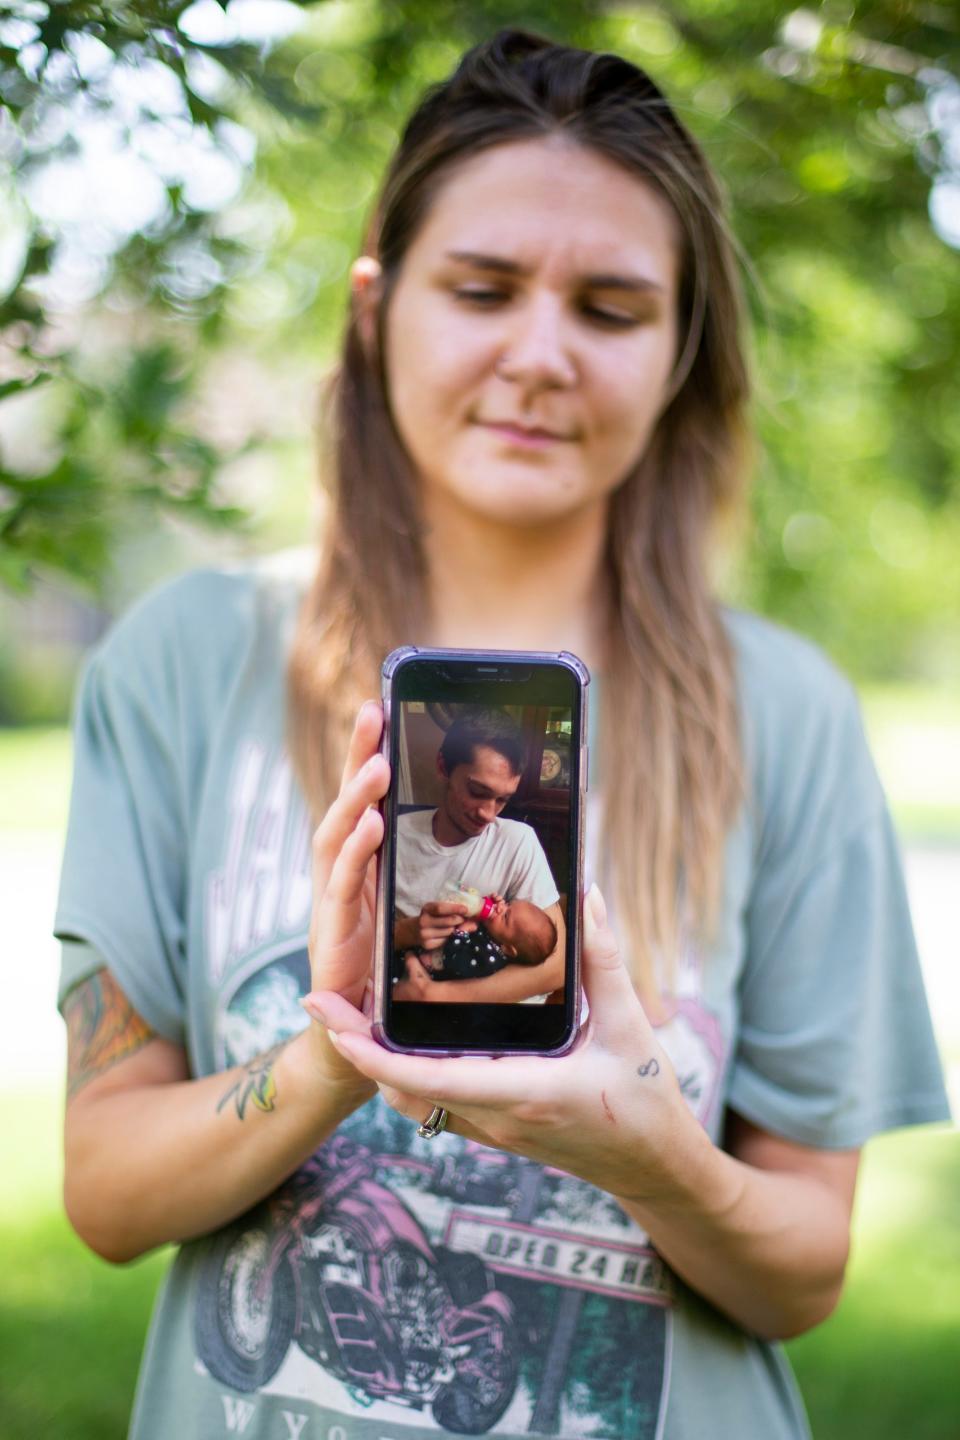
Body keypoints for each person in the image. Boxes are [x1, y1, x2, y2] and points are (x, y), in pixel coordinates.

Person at [56, 28, 950, 1440]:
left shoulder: (785, 717)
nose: (539, 354)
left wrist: (665, 1160)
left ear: (679, 356)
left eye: (609, 308)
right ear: (377, 306)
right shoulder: (182, 665)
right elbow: (104, 1197)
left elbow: (805, 1271)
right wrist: (328, 1059)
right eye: (482, 288)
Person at [393, 708, 565, 1001]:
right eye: (477, 791)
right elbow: (357, 943)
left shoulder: (518, 841)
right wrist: (409, 932)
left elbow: (556, 968)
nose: (488, 813)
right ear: (443, 766)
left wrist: (435, 995)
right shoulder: (394, 837)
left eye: (502, 800)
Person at [404, 895, 559, 983]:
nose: (500, 908)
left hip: (421, 971)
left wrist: (462, 932)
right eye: (508, 905)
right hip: (415, 946)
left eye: (505, 916)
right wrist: (491, 901)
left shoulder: (489, 959)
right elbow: (479, 911)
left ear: (507, 949)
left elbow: (455, 962)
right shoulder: (494, 930)